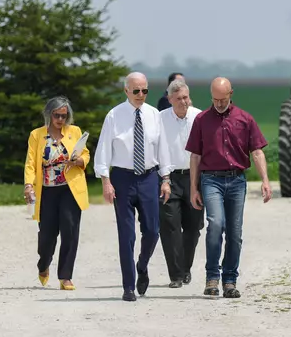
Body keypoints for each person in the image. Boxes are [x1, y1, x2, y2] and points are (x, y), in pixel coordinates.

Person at [185, 76, 272, 299]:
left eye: (223, 99)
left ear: (231, 94)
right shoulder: (202, 120)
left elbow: (257, 151)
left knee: (235, 233)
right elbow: (195, 155)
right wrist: (193, 188)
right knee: (215, 224)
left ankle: (230, 281)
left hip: (236, 181)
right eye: (215, 99)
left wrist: (265, 180)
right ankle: (212, 277)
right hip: (210, 179)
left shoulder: (245, 119)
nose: (219, 104)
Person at [93, 71, 173, 302]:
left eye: (144, 90)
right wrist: (105, 181)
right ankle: (128, 286)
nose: (140, 95)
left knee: (152, 230)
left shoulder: (154, 115)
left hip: (149, 178)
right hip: (122, 179)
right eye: (136, 91)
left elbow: (163, 148)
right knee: (126, 235)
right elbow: (104, 151)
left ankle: (142, 264)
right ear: (126, 91)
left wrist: (165, 179)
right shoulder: (114, 116)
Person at [23, 96, 90, 291]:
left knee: (70, 232)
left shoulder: (74, 131)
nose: (60, 119)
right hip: (47, 191)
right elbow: (30, 163)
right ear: (49, 114)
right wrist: (28, 185)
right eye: (57, 115)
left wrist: (80, 161)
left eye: (64, 115)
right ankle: (43, 264)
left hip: (70, 189)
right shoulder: (37, 135)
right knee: (47, 236)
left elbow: (85, 153)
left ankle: (65, 276)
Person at [158, 78, 204, 288]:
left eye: (186, 97)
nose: (184, 102)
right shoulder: (159, 119)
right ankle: (176, 275)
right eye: (178, 99)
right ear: (169, 100)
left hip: (195, 178)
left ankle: (185, 268)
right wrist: (163, 178)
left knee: (193, 227)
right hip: (168, 178)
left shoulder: (200, 116)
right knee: (170, 226)